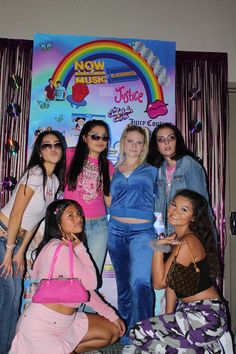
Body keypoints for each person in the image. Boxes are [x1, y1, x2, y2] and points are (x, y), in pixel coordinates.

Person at [11, 199, 125, 354]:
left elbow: (86, 291)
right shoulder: (61, 249)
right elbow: (92, 283)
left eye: (78, 213)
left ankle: (68, 349)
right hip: (43, 329)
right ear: (58, 223)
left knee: (112, 331)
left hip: (67, 323)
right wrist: (81, 249)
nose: (78, 218)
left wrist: (112, 316)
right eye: (70, 215)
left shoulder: (55, 245)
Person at [129, 189, 228, 353]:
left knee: (137, 333)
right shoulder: (179, 238)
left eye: (184, 209)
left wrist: (158, 246)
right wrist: (167, 315)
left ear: (193, 217)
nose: (175, 211)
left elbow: (159, 283)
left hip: (207, 316)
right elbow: (172, 284)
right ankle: (207, 349)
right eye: (174, 205)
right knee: (144, 348)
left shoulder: (187, 243)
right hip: (193, 313)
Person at [0, 130, 66, 353]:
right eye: (47, 145)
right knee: (10, 294)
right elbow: (17, 214)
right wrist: (10, 250)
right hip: (2, 235)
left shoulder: (54, 181)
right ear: (39, 151)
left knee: (11, 294)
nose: (53, 148)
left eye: (57, 144)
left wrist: (21, 251)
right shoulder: (35, 174)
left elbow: (35, 220)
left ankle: (10, 345)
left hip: (14, 241)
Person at [107, 125, 158, 354]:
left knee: (141, 283)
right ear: (123, 142)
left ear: (144, 146)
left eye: (139, 142)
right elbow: (107, 199)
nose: (135, 146)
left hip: (142, 233)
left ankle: (144, 334)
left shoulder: (152, 170)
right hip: (115, 230)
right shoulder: (112, 170)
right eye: (130, 141)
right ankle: (127, 335)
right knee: (124, 287)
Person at [64, 119, 114, 276]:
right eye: (95, 136)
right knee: (71, 274)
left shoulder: (108, 165)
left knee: (92, 276)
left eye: (104, 137)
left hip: (99, 226)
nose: (100, 141)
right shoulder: (70, 155)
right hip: (73, 222)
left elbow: (108, 198)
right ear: (85, 138)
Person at [147, 122, 213, 237]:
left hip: (191, 233)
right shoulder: (159, 169)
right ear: (156, 147)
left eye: (171, 138)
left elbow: (200, 205)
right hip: (169, 234)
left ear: (177, 141)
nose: (167, 142)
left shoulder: (188, 164)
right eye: (161, 139)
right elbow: (159, 208)